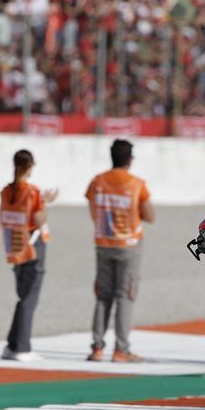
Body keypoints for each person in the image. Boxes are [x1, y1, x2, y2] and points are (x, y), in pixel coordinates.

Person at [85, 139, 155, 363]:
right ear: (129, 159)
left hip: (104, 242)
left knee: (102, 296)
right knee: (125, 296)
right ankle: (121, 349)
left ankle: (97, 347)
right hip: (129, 245)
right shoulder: (136, 184)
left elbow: (93, 210)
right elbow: (150, 216)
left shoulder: (97, 182)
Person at [0, 149, 58, 361]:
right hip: (32, 243)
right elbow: (39, 219)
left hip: (14, 243)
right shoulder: (31, 192)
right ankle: (22, 346)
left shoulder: (7, 191)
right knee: (30, 296)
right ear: (30, 166)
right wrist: (46, 202)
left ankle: (13, 343)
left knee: (23, 295)